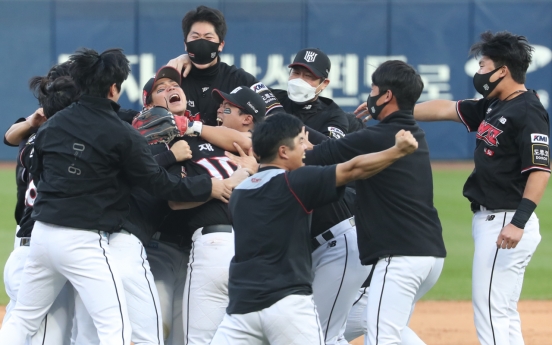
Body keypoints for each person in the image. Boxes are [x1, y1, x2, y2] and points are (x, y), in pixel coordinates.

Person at [0, 47, 229, 345]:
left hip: (41, 234)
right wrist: (208, 186)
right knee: (115, 328)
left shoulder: (52, 124)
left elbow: (37, 166)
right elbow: (159, 184)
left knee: (23, 319)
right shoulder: (121, 133)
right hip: (84, 241)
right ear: (113, 88)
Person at [412, 31, 550, 345]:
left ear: (503, 70)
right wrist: (394, 111)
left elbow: (541, 171)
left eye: (484, 65)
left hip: (507, 221)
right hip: (496, 221)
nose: (480, 72)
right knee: (502, 313)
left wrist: (518, 222)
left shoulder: (527, 110)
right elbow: (446, 108)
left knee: (490, 313)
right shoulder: (494, 105)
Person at [306, 60, 446, 344]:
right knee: (379, 324)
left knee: (382, 338)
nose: (370, 96)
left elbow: (321, 155)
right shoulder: (410, 132)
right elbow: (337, 148)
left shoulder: (379, 135)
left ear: (387, 96)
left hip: (401, 256)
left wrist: (283, 127)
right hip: (429, 256)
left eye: (374, 89)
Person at [137, 67, 251, 345]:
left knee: (186, 333)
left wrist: (190, 127)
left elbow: (247, 142)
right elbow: (175, 197)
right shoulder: (145, 139)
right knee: (157, 328)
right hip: (160, 246)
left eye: (174, 85)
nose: (171, 89)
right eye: (160, 88)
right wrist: (215, 185)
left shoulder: (202, 131)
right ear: (148, 104)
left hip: (200, 247)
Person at [270, 47, 368, 345]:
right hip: (300, 241)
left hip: (334, 237)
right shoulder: (274, 99)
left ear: (323, 83)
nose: (298, 79)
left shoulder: (334, 116)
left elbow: (330, 156)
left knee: (321, 333)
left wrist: (278, 119)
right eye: (296, 72)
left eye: (308, 76)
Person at [161, 86, 263, 345]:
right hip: (259, 253)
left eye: (226, 106)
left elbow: (175, 201)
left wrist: (223, 185)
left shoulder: (193, 144)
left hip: (216, 244)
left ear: (247, 118)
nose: (218, 109)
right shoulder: (265, 153)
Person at [167, 5, 282, 125]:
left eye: (208, 37)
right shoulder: (172, 79)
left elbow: (278, 116)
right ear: (185, 43)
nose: (201, 43)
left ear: (221, 45)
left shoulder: (239, 79)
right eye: (195, 37)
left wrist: (248, 138)